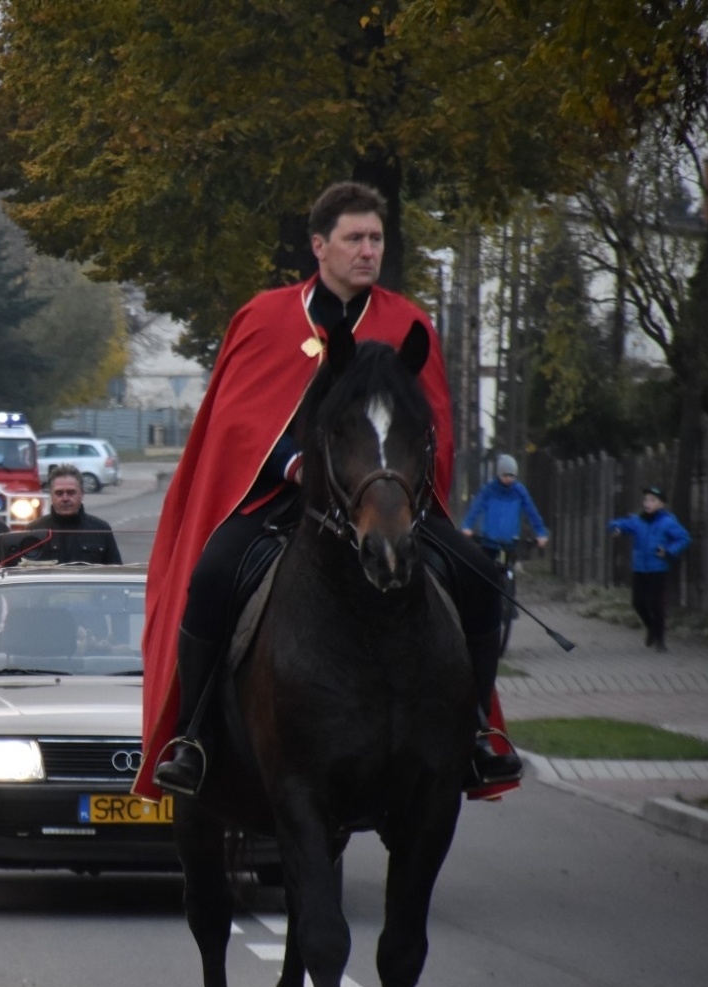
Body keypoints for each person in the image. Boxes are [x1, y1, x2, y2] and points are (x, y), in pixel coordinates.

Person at [139, 180, 518, 801]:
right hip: (280, 499)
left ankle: (475, 732)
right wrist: (294, 466)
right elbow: (236, 425)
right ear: (320, 245)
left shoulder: (407, 323)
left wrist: (404, 487)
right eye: (354, 239)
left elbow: (433, 426)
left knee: (477, 577)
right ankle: (195, 736)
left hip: (385, 501)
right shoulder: (265, 318)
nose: (367, 251)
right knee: (210, 579)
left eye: (375, 239)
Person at [609, 487, 691, 652]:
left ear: (661, 504)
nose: (647, 503)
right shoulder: (638, 520)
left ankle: (660, 640)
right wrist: (615, 528)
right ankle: (651, 628)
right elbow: (619, 524)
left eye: (652, 500)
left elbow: (684, 538)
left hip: (657, 569)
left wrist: (668, 550)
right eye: (646, 500)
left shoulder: (668, 522)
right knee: (638, 602)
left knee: (656, 604)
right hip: (640, 568)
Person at [24, 465, 123, 565]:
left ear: (82, 494)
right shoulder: (34, 530)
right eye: (59, 493)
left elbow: (116, 573)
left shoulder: (101, 529)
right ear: (51, 496)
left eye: (71, 493)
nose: (65, 498)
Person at [462, 454, 549, 558]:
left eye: (511, 476)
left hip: (510, 542)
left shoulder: (519, 491)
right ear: (499, 474)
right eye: (505, 475)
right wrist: (467, 526)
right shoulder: (489, 490)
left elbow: (532, 512)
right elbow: (476, 508)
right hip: (489, 541)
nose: (508, 479)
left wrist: (540, 532)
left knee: (509, 570)